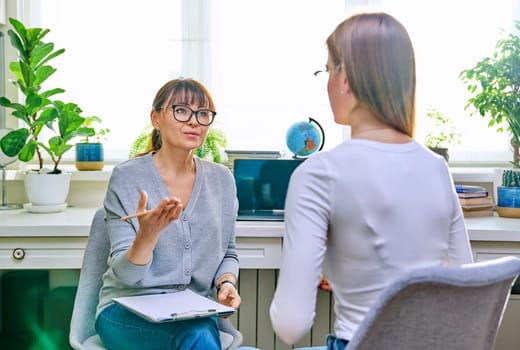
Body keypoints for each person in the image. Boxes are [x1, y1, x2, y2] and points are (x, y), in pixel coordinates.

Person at [269, 12, 473, 349]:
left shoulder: (319, 173)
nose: (329, 83)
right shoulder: (436, 167)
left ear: (345, 77)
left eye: (328, 70)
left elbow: (291, 325)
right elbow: (464, 284)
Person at [95, 78, 241, 350]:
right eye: (182, 110)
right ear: (156, 118)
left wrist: (226, 282)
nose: (194, 121)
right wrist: (147, 236)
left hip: (192, 313)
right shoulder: (127, 177)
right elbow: (126, 277)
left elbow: (228, 252)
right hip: (125, 312)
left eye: (203, 113)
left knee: (196, 331)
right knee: (196, 336)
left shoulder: (222, 180)